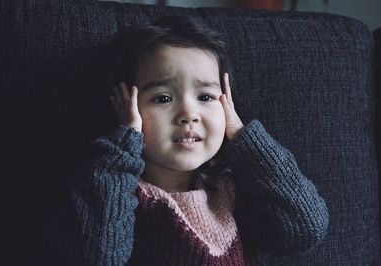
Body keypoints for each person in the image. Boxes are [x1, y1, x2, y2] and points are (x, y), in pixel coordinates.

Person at [44, 15, 329, 266]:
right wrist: (123, 145)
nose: (188, 114)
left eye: (205, 97)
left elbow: (304, 228)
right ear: (123, 107)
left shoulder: (231, 189)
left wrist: (244, 138)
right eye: (163, 98)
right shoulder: (115, 189)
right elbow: (97, 255)